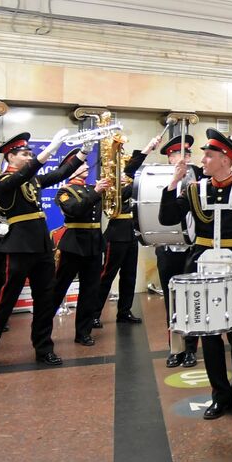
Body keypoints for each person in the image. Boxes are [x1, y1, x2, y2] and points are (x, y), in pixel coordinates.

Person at [159, 129, 232, 419]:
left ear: (226, 159)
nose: (203, 159)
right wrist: (173, 182)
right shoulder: (195, 190)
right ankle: (219, 396)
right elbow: (167, 218)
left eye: (209, 155)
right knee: (208, 332)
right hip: (202, 267)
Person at [0, 131, 86, 369]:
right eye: (24, 153)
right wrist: (48, 152)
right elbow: (25, 174)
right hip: (18, 246)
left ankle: (44, 348)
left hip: (40, 245)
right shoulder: (4, 181)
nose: (29, 157)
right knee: (6, 300)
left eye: (30, 153)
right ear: (10, 157)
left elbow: (60, 173)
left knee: (45, 299)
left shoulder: (31, 179)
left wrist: (83, 152)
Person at [92, 136, 156, 327]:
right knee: (107, 275)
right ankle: (94, 313)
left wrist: (149, 147)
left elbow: (134, 165)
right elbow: (123, 195)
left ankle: (124, 311)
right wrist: (131, 184)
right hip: (115, 234)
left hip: (130, 233)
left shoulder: (125, 176)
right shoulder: (108, 181)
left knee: (129, 275)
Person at [50, 160, 113, 347]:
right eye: (81, 166)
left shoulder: (91, 188)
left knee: (90, 290)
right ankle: (43, 327)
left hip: (94, 243)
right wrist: (96, 192)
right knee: (59, 287)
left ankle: (83, 332)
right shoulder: (64, 192)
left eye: (86, 165)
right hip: (74, 244)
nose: (86, 167)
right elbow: (75, 210)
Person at [154, 133, 202, 367]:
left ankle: (191, 348)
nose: (184, 158)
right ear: (169, 159)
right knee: (171, 301)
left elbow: (225, 152)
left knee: (192, 298)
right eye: (178, 154)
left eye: (188, 154)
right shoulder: (159, 178)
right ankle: (176, 348)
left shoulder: (200, 177)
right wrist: (173, 181)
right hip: (167, 248)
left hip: (192, 248)